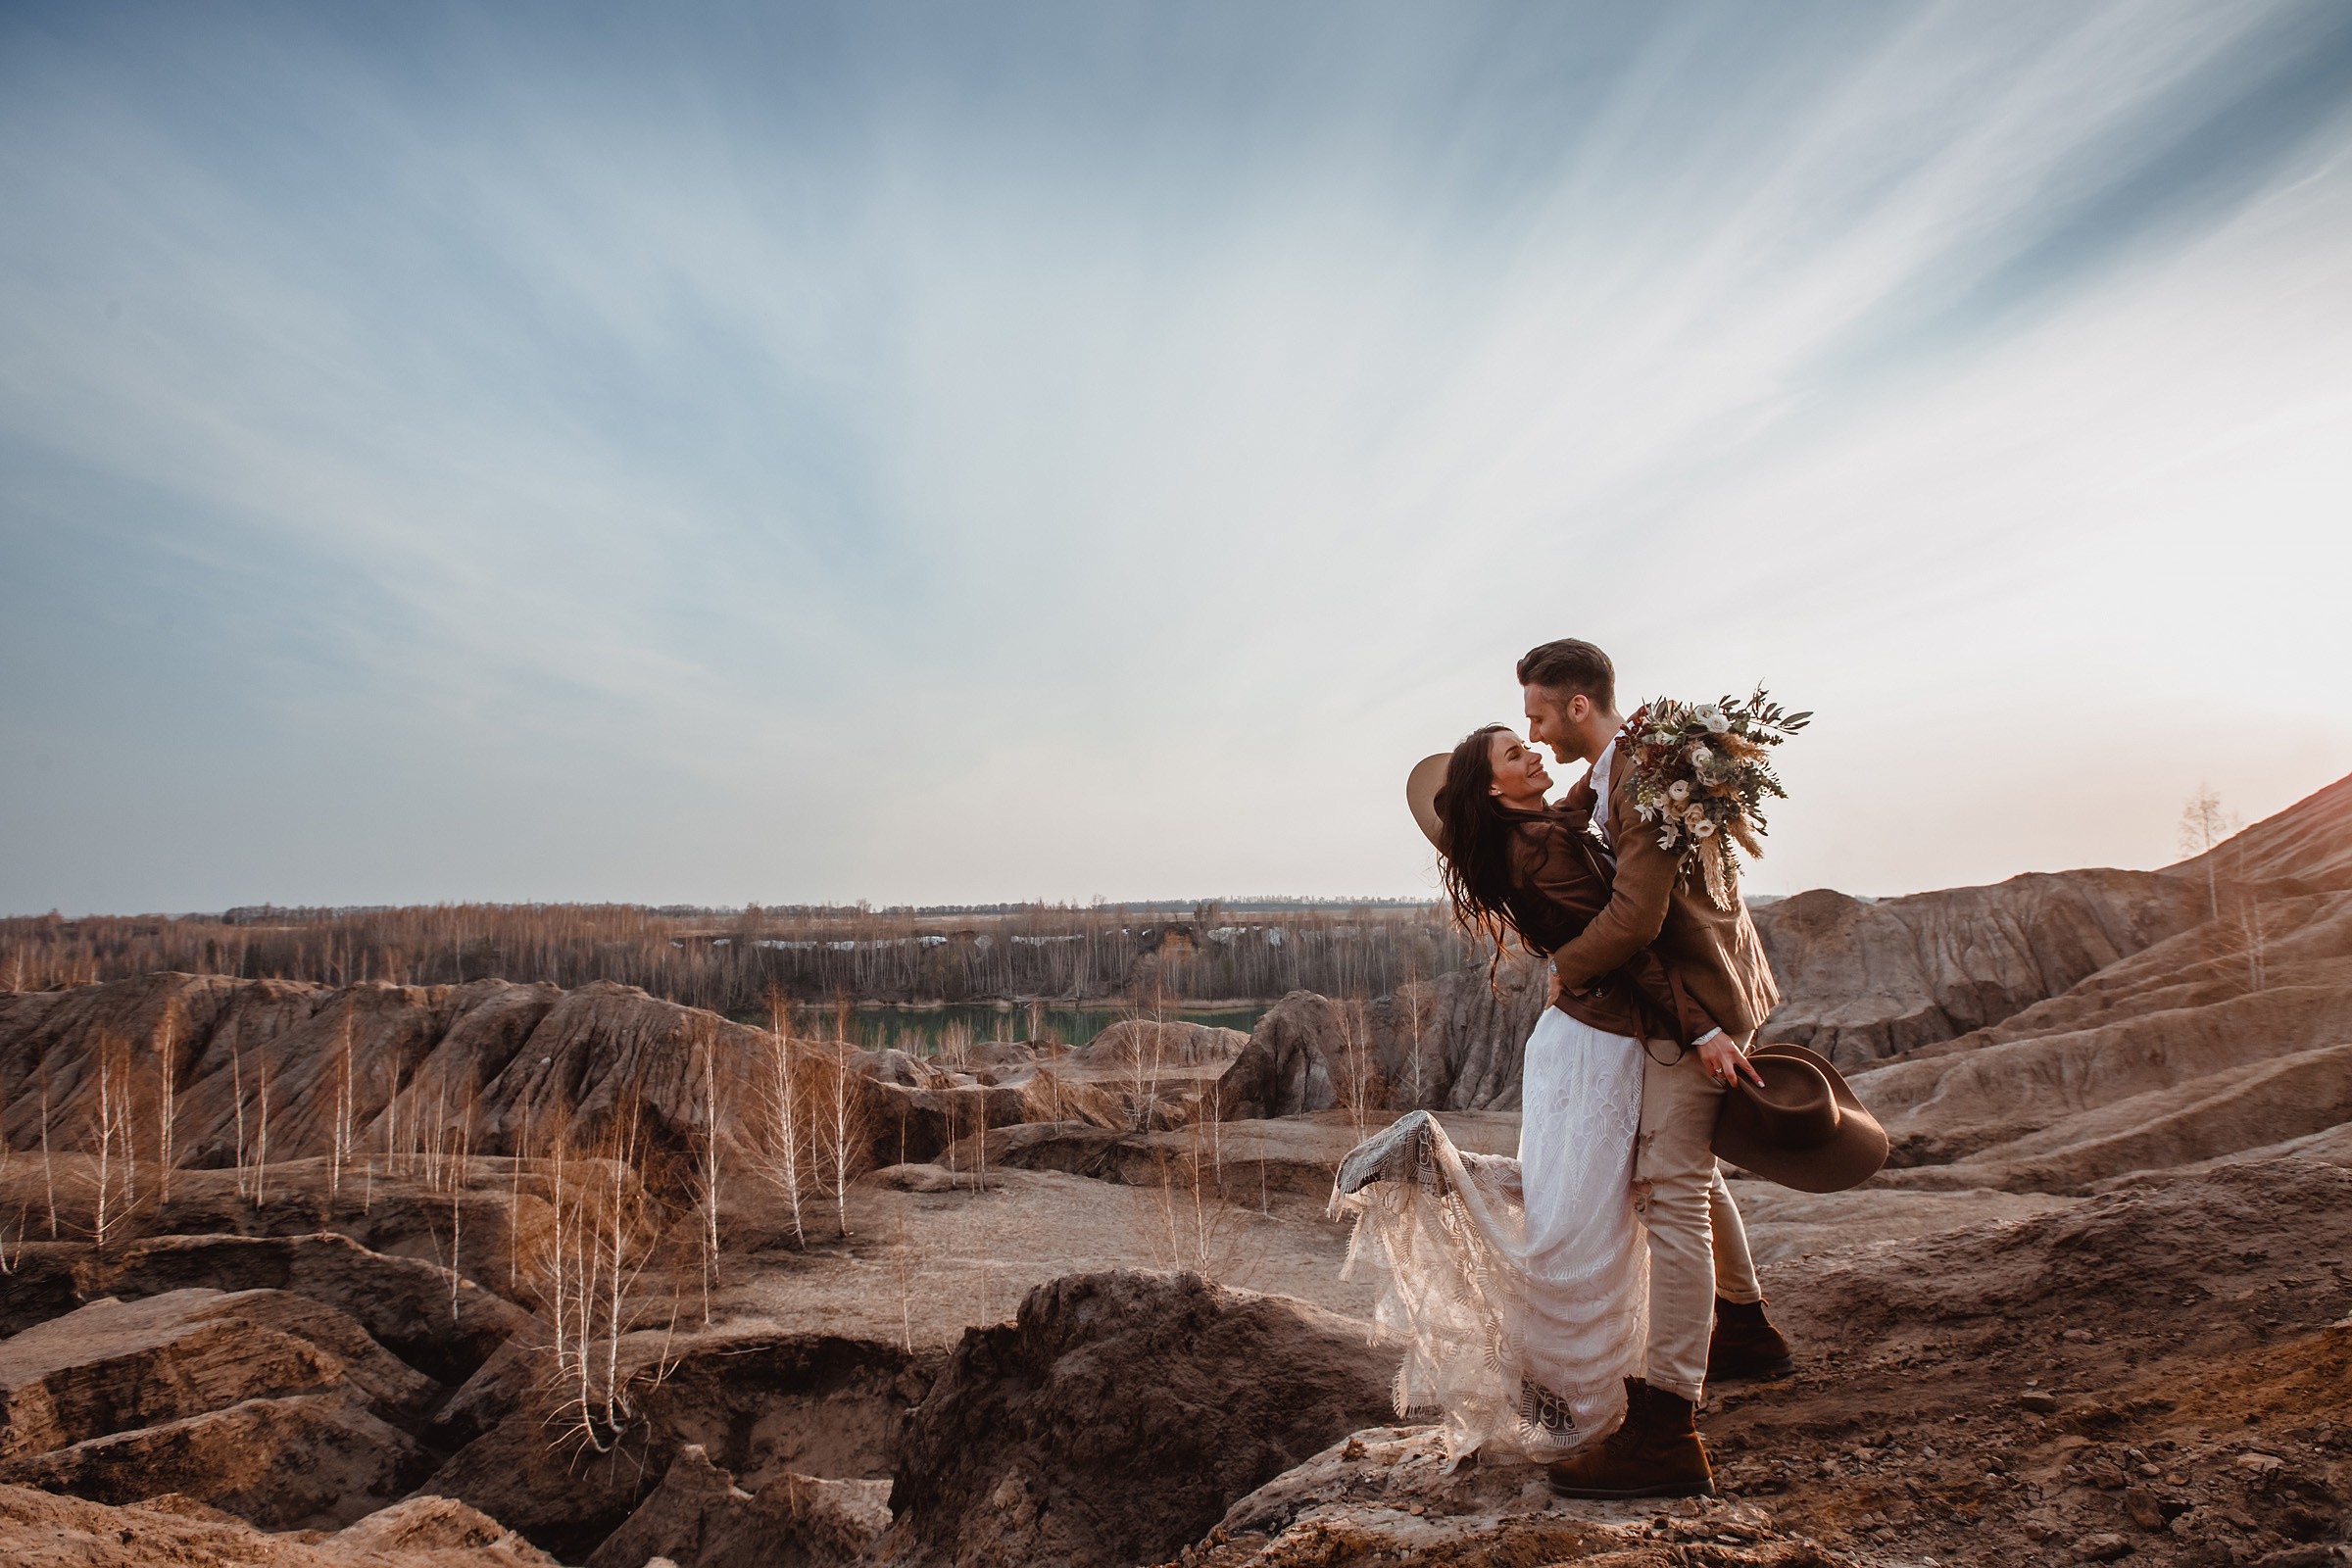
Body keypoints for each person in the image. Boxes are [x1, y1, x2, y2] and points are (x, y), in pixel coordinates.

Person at [1332, 722, 1728, 1467]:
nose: (1536, 754)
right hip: (1599, 1047)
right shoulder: (1540, 851)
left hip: (1572, 1043)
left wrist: (1629, 747)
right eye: (1517, 754)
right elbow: (1627, 946)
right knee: (1584, 1236)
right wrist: (1702, 1029)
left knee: (1563, 1207)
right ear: (1492, 789)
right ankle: (1566, 1393)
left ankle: (1540, 1368)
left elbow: (1578, 808)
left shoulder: (1536, 831)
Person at [1518, 637, 1793, 1500]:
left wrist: (1566, 967)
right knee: (1696, 1178)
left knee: (1672, 1189)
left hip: (1696, 1006)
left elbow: (1637, 917)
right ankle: (1746, 1332)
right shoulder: (1622, 772)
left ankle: (1668, 1428)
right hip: (1708, 993)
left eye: (1536, 714)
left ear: (1575, 706)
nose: (1533, 731)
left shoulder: (1638, 775)